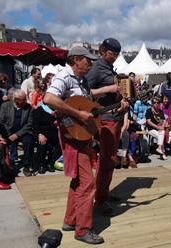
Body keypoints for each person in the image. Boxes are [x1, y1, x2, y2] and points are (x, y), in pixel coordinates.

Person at [44, 46, 119, 244]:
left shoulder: (82, 81)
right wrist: (77, 114)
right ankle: (83, 230)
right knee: (87, 184)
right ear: (76, 59)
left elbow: (88, 104)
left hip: (82, 135)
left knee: (78, 180)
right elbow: (49, 98)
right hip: (72, 135)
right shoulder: (64, 76)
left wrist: (115, 104)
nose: (91, 64)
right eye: (88, 60)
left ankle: (71, 220)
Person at [85, 38, 128, 216]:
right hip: (104, 119)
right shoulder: (96, 68)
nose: (115, 57)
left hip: (114, 117)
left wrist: (122, 102)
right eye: (112, 54)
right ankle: (100, 200)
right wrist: (109, 89)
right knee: (107, 159)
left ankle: (104, 193)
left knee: (110, 159)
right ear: (103, 51)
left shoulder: (109, 69)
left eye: (117, 54)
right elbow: (84, 92)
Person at [0, 90, 33, 177]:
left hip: (22, 132)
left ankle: (26, 165)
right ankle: (8, 166)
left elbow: (29, 124)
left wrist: (17, 134)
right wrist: (9, 134)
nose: (26, 100)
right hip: (7, 132)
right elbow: (1, 122)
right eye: (24, 99)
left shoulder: (29, 107)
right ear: (16, 100)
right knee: (3, 145)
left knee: (28, 141)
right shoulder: (5, 106)